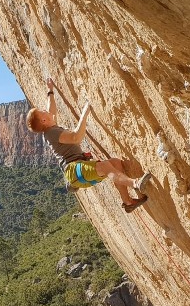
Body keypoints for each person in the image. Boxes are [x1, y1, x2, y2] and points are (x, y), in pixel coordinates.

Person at [25, 78, 151, 213]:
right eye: (41, 111)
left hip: (78, 174)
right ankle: (135, 183)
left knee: (116, 163)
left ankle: (128, 202)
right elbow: (75, 137)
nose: (45, 109)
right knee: (106, 167)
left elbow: (51, 111)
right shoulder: (51, 133)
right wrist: (85, 114)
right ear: (44, 120)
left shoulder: (50, 127)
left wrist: (50, 91)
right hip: (74, 170)